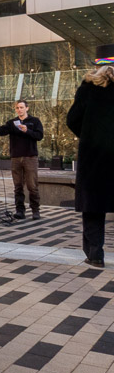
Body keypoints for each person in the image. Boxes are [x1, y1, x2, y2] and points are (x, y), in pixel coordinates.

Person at [67, 44, 114, 268]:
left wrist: (87, 134)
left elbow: (72, 119)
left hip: (93, 157)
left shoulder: (87, 87)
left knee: (93, 207)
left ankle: (95, 255)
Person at [0, 100, 44, 220]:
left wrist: (27, 130)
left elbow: (39, 136)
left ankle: (35, 211)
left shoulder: (34, 121)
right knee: (18, 186)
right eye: (17, 108)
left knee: (32, 186)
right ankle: (20, 211)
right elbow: (0, 132)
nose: (19, 109)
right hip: (16, 158)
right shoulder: (12, 123)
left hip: (30, 157)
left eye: (21, 107)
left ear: (27, 108)